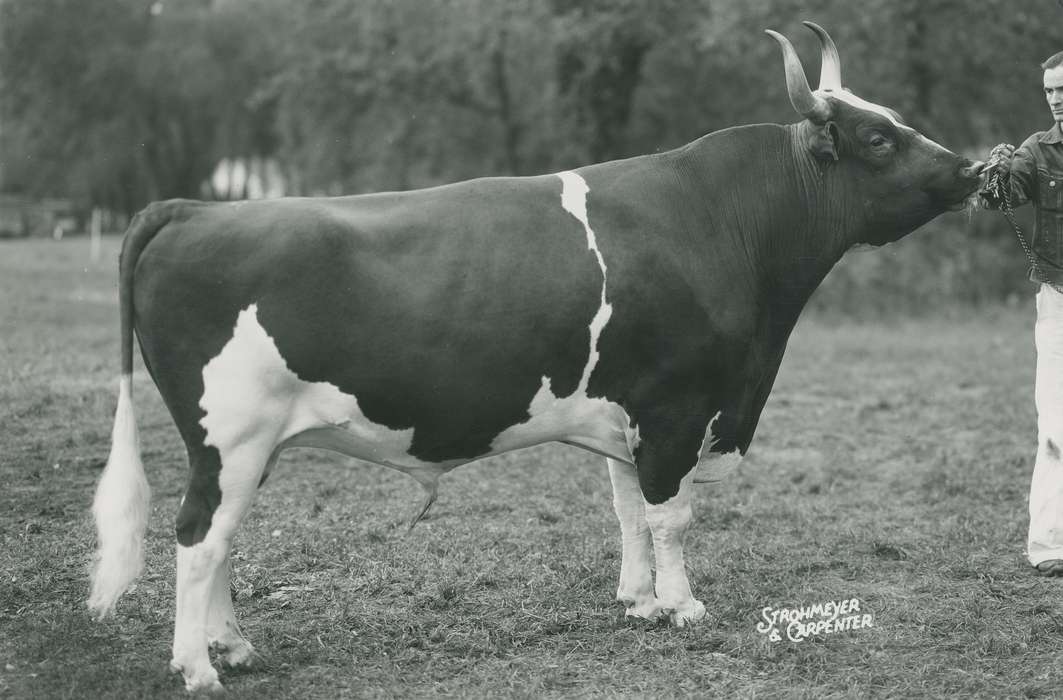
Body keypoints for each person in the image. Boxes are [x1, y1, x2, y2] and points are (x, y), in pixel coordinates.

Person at [982, 50, 1063, 576]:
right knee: (1056, 425)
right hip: (1058, 299)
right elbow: (1000, 198)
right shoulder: (1037, 151)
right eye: (1050, 91)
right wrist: (996, 175)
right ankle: (1050, 546)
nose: (1056, 100)